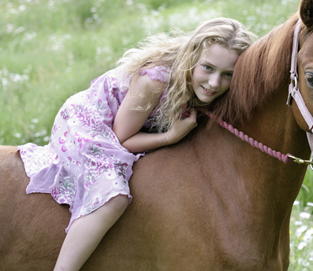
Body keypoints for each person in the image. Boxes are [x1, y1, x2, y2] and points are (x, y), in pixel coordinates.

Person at [17, 17, 256, 271]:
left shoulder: (209, 85)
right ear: (192, 58)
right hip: (89, 124)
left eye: (227, 74)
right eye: (207, 68)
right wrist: (171, 137)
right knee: (113, 197)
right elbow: (122, 140)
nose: (215, 83)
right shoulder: (154, 81)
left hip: (130, 127)